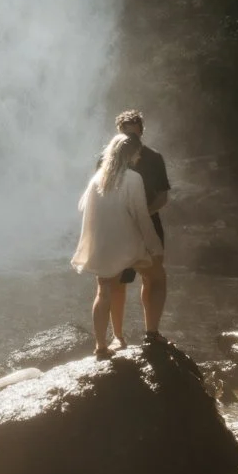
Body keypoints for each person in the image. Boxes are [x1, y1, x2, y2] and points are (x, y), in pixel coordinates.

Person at [71, 133, 164, 358]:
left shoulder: (98, 179)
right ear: (131, 155)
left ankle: (101, 346)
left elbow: (83, 209)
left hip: (102, 245)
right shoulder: (132, 178)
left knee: (104, 291)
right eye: (137, 153)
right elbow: (142, 217)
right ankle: (152, 333)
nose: (138, 156)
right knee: (158, 277)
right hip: (128, 247)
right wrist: (156, 248)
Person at [109, 108, 170, 345]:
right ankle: (117, 337)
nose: (131, 140)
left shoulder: (154, 158)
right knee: (117, 281)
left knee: (153, 278)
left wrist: (142, 216)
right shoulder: (106, 159)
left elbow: (162, 197)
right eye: (127, 135)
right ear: (119, 133)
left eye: (135, 135)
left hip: (147, 225)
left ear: (142, 132)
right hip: (118, 226)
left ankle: (151, 333)